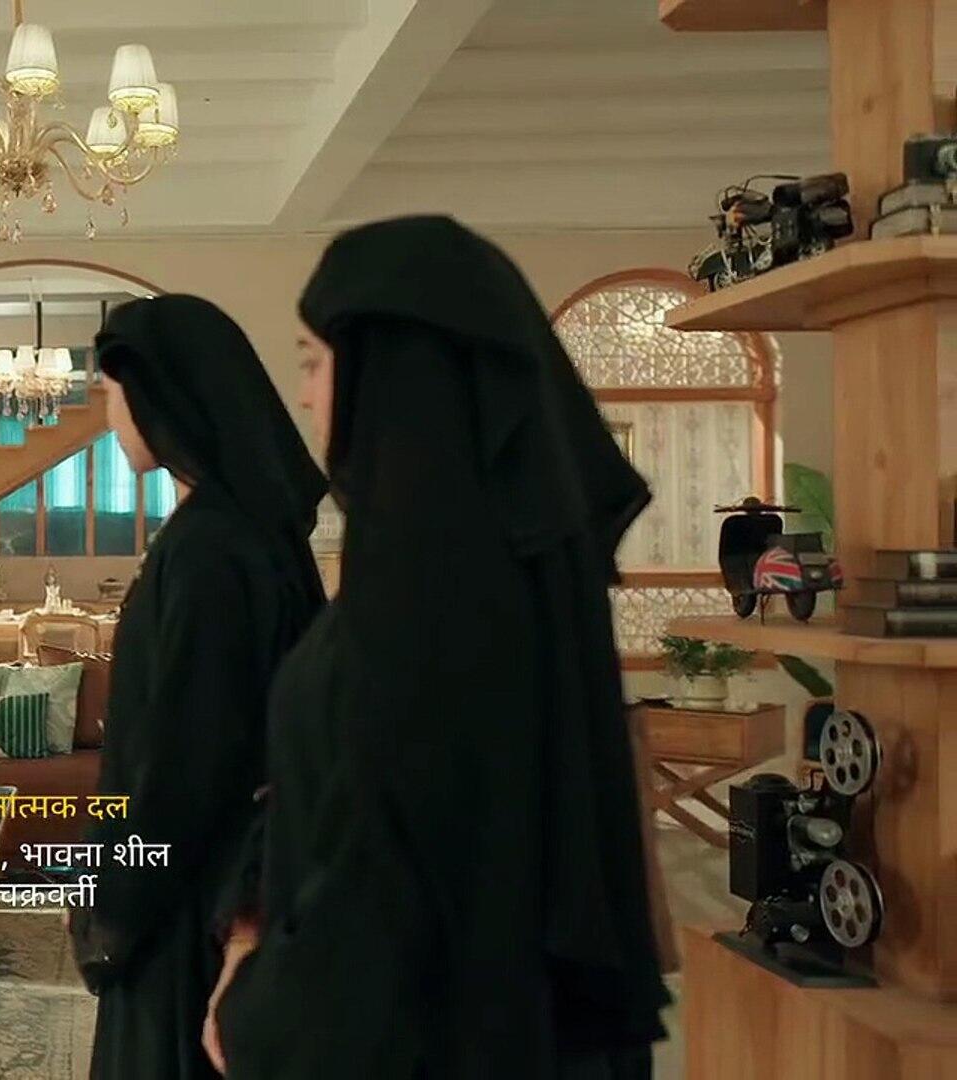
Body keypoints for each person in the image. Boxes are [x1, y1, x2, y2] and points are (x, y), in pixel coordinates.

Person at [204, 216, 668, 1079]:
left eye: (313, 363)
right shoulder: (494, 577)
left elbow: (383, 906)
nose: (303, 397)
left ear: (391, 378)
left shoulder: (434, 604)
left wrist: (255, 1009)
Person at [67, 295, 327, 1080]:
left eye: (113, 392)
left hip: (191, 912)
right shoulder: (241, 530)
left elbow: (187, 763)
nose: (108, 414)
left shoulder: (211, 549)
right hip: (223, 890)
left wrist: (112, 911)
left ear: (161, 396)